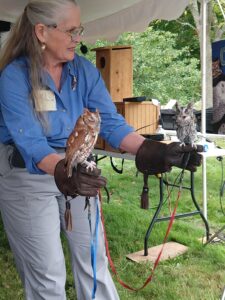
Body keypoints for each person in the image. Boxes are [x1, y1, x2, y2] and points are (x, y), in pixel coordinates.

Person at [0, 1, 203, 299]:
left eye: (79, 30)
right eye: (71, 31)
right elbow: (30, 142)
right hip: (28, 176)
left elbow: (110, 123)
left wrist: (152, 150)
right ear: (41, 32)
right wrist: (61, 169)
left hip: (78, 170)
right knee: (47, 273)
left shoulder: (82, 71)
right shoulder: (13, 77)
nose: (78, 38)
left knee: (95, 263)